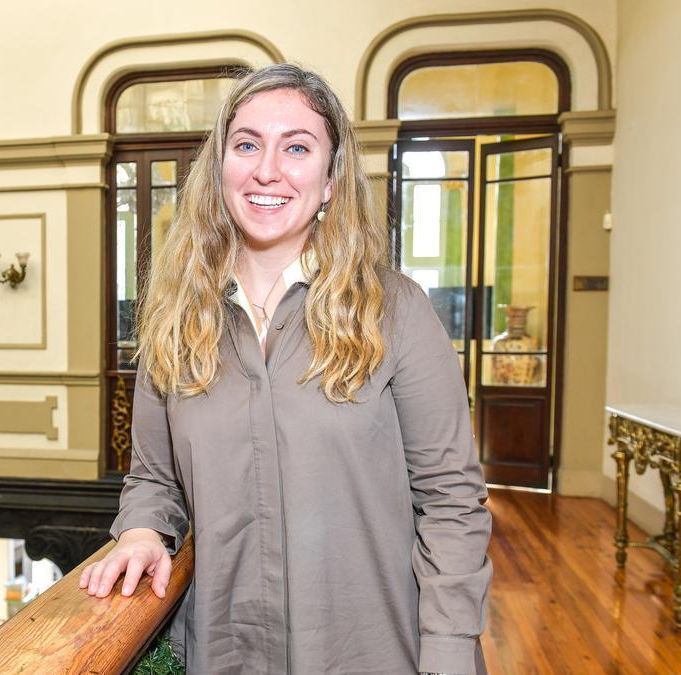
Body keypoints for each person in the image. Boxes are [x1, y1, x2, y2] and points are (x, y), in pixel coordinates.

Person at [79, 64, 492, 675]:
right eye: (246, 144)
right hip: (226, 651)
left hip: (376, 651)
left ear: (331, 180)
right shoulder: (176, 318)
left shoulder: (396, 310)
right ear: (219, 167)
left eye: (297, 147)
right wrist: (143, 533)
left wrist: (450, 652)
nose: (266, 169)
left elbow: (452, 500)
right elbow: (154, 479)